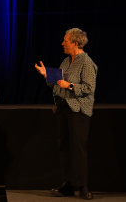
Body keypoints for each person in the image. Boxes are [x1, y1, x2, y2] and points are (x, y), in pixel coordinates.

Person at [35, 28, 97, 200]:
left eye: (66, 41)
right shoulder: (65, 61)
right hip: (63, 108)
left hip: (79, 110)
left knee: (78, 148)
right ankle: (68, 184)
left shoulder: (87, 62)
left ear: (75, 43)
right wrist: (47, 75)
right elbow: (57, 83)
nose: (62, 43)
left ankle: (83, 186)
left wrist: (70, 86)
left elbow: (89, 88)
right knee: (64, 147)